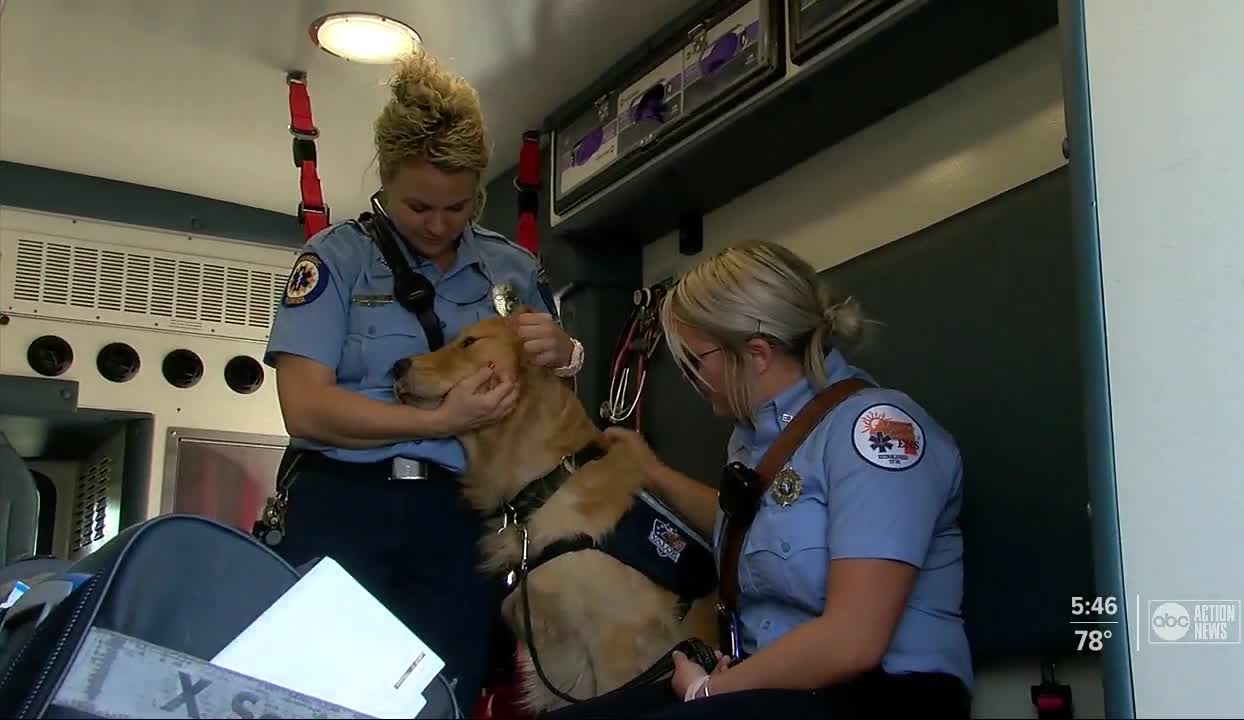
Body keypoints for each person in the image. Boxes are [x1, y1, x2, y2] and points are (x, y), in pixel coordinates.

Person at [260, 50, 584, 712]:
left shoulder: (513, 270)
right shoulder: (336, 262)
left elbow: (552, 413)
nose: (438, 225)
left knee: (443, 698)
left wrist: (565, 356)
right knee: (316, 698)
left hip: (460, 516)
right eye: (419, 206)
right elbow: (307, 408)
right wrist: (437, 423)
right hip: (345, 504)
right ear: (384, 179)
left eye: (457, 207)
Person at [546, 240, 972, 719]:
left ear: (756, 354)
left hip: (883, 694)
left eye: (695, 360)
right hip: (774, 683)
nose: (690, 377)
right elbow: (753, 527)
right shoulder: (753, 438)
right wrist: (652, 472)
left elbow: (852, 641)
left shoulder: (876, 433)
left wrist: (707, 693)